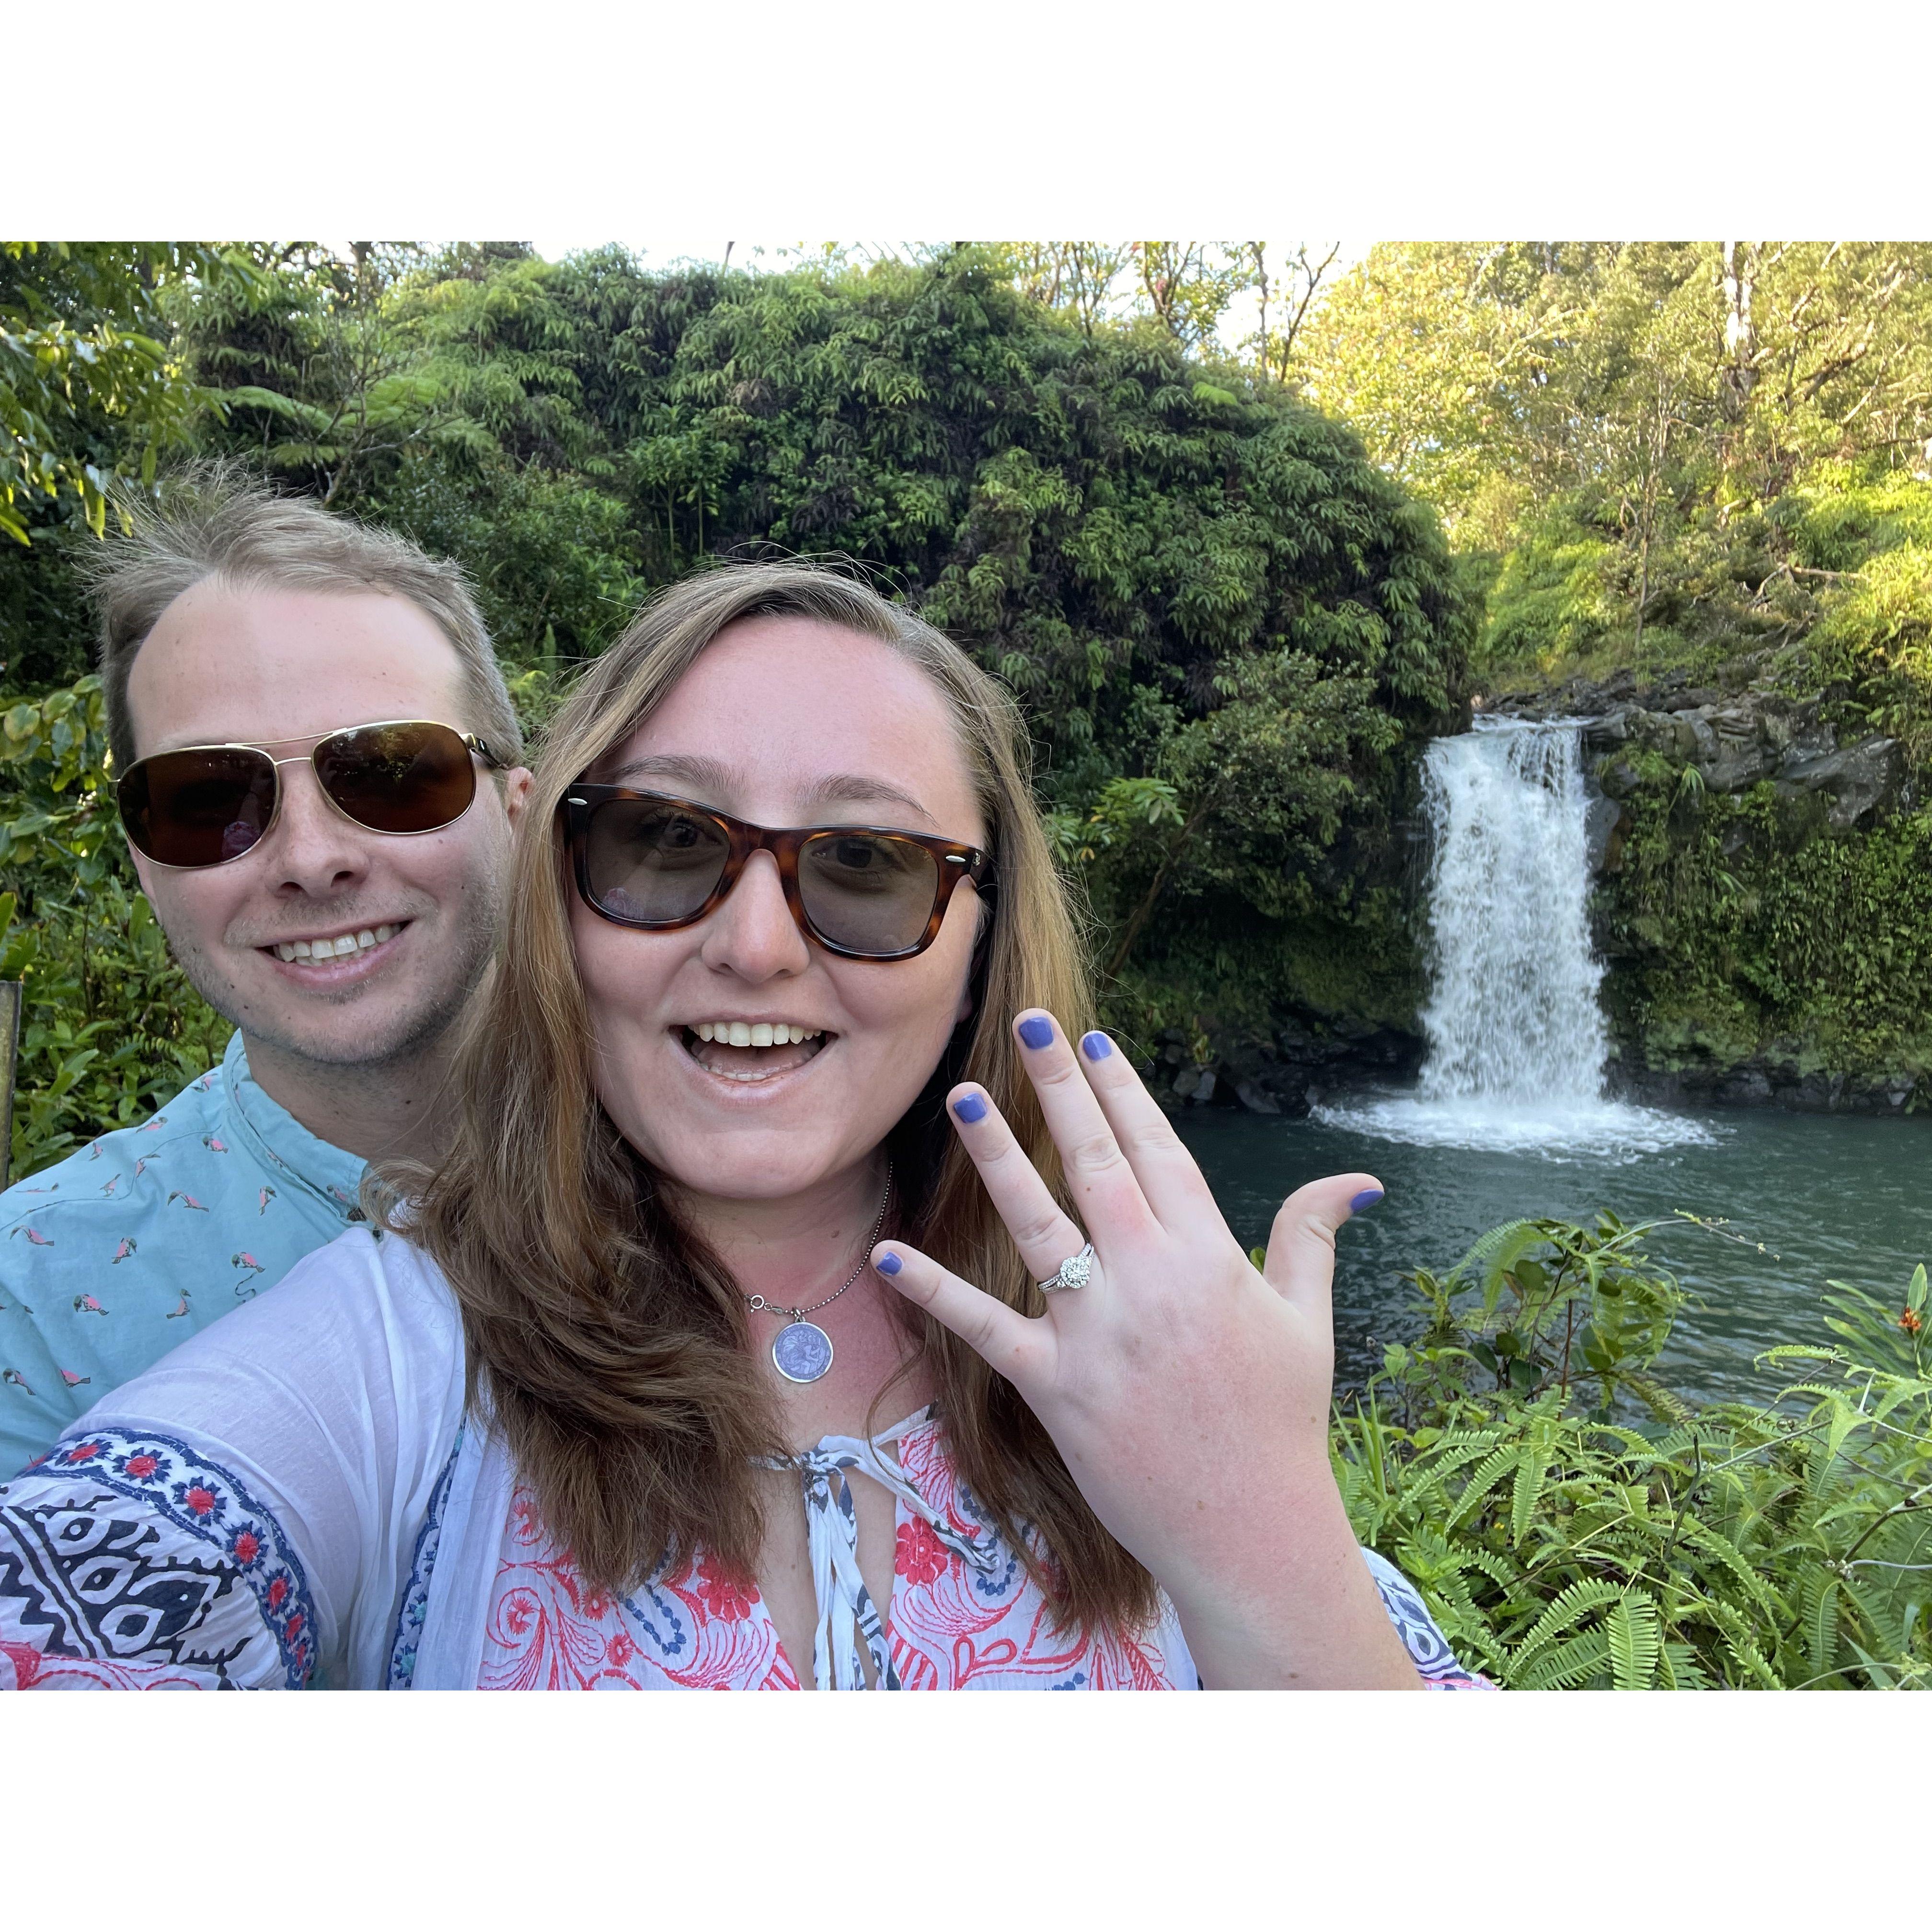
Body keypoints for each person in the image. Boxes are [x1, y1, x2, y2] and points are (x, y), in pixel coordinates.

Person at [0, 563, 1485, 1690]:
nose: (760, 947)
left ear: (981, 935)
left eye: (867, 865)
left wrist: (1264, 1537)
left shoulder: (1169, 1363)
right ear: (557, 894)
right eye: (666, 843)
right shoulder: (394, 1351)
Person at [0, 469, 532, 1475]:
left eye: (391, 773)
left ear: (516, 813)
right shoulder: (34, 1308)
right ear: (145, 868)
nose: (308, 858)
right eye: (207, 800)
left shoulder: (740, 1164)